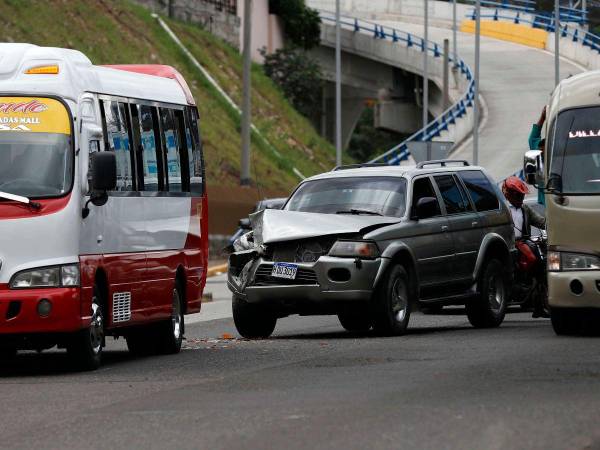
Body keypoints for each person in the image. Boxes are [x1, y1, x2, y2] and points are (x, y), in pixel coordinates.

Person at [502, 176, 548, 318]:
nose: (521, 197)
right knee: (531, 259)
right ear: (508, 194)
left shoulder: (525, 209)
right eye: (517, 194)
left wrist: (556, 222)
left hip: (524, 243)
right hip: (508, 246)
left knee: (540, 268)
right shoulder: (502, 210)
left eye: (522, 195)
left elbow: (541, 222)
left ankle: (538, 306)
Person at [528, 107, 546, 205]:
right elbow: (533, 138)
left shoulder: (559, 152)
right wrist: (542, 118)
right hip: (546, 206)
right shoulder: (538, 153)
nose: (541, 154)